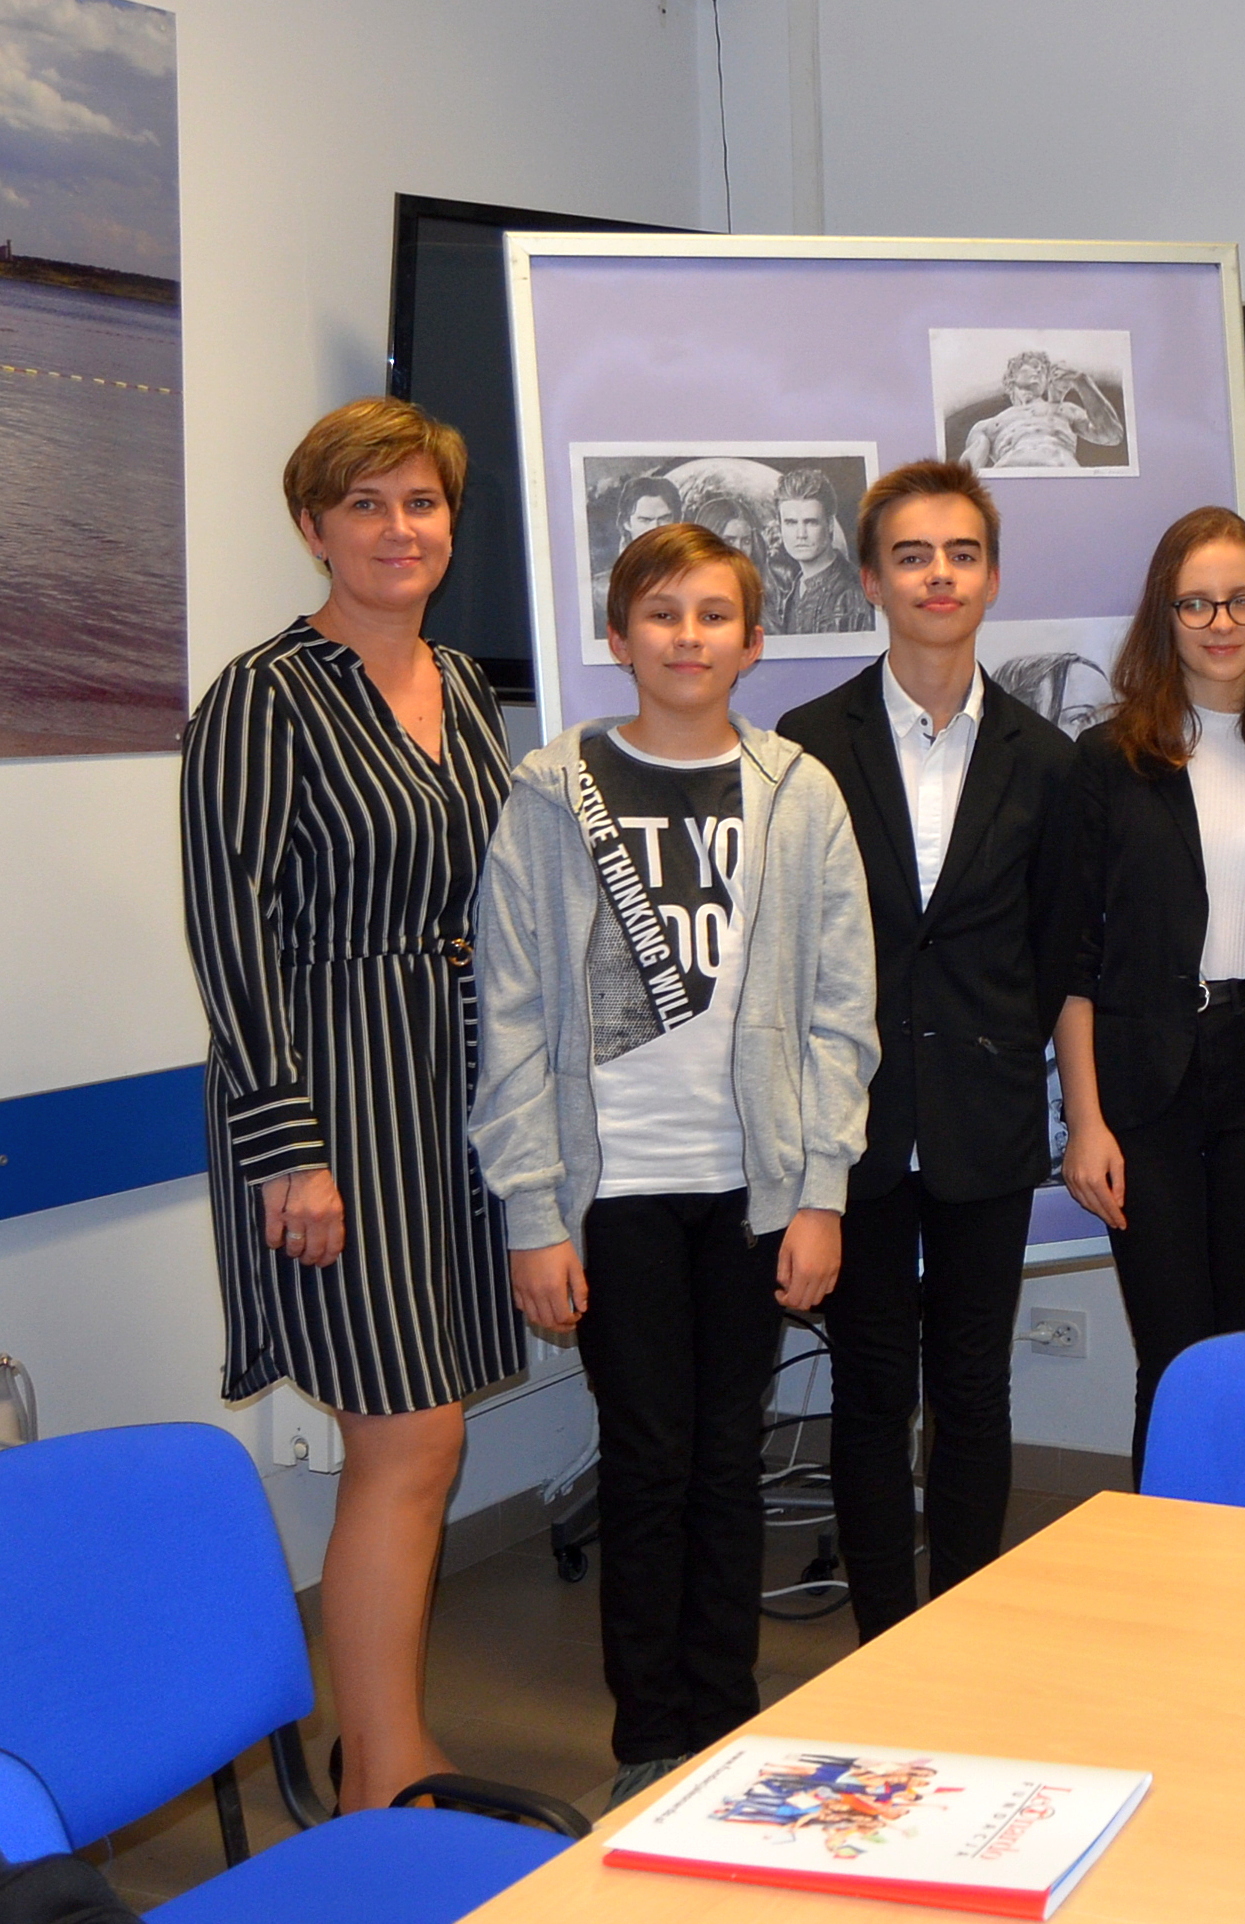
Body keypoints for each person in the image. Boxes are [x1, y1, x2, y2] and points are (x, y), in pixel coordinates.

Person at [469, 523, 878, 1806]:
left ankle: (724, 1714)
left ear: (751, 641)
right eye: (660, 613)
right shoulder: (552, 793)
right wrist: (534, 1213)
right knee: (648, 1458)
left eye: (712, 615)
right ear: (617, 637)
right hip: (614, 1193)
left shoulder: (798, 792)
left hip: (753, 1187)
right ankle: (652, 1734)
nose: (687, 637)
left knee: (727, 1453)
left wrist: (820, 1192)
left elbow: (841, 1011)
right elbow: (511, 1015)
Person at [180, 397, 517, 1810]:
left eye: (419, 502)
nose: (397, 529)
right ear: (313, 527)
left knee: (427, 1435)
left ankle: (383, 1738)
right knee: (410, 1433)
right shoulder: (263, 696)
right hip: (330, 1096)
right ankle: (382, 1772)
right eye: (365, 505)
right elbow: (231, 931)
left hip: (454, 1094)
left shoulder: (467, 686)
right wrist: (287, 1149)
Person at [779, 460, 1079, 1638]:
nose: (938, 575)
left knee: (970, 1389)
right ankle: (878, 1645)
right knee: (867, 1396)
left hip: (981, 1123)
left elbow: (1052, 949)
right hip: (850, 1125)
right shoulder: (806, 745)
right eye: (912, 556)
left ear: (991, 579)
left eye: (961, 554)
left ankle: (955, 1638)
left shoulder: (1046, 760)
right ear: (870, 580)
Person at [1056, 508, 1245, 1477]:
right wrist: (1085, 1123)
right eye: (1196, 603)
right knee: (1176, 1361)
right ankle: (1163, 1561)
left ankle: (1239, 1553)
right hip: (1145, 1090)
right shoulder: (1106, 763)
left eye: (1240, 600)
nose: (1220, 622)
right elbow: (1074, 960)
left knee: (1243, 1354)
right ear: (1165, 616)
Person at [959, 351, 1124, 472]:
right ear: (1012, 375)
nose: (1039, 371)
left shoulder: (1064, 410)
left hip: (1063, 478)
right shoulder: (988, 425)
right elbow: (965, 474)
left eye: (1044, 370)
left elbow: (1112, 435)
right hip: (1010, 482)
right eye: (1033, 365)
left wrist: (1081, 381)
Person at [769, 468, 871, 636]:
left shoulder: (856, 592)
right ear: (780, 526)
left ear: (829, 524)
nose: (801, 534)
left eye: (811, 522)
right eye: (791, 523)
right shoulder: (793, 589)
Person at [592, 473, 682, 635]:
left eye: (664, 518)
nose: (655, 528)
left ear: (677, 521)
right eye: (645, 520)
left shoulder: (700, 579)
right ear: (626, 523)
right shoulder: (600, 591)